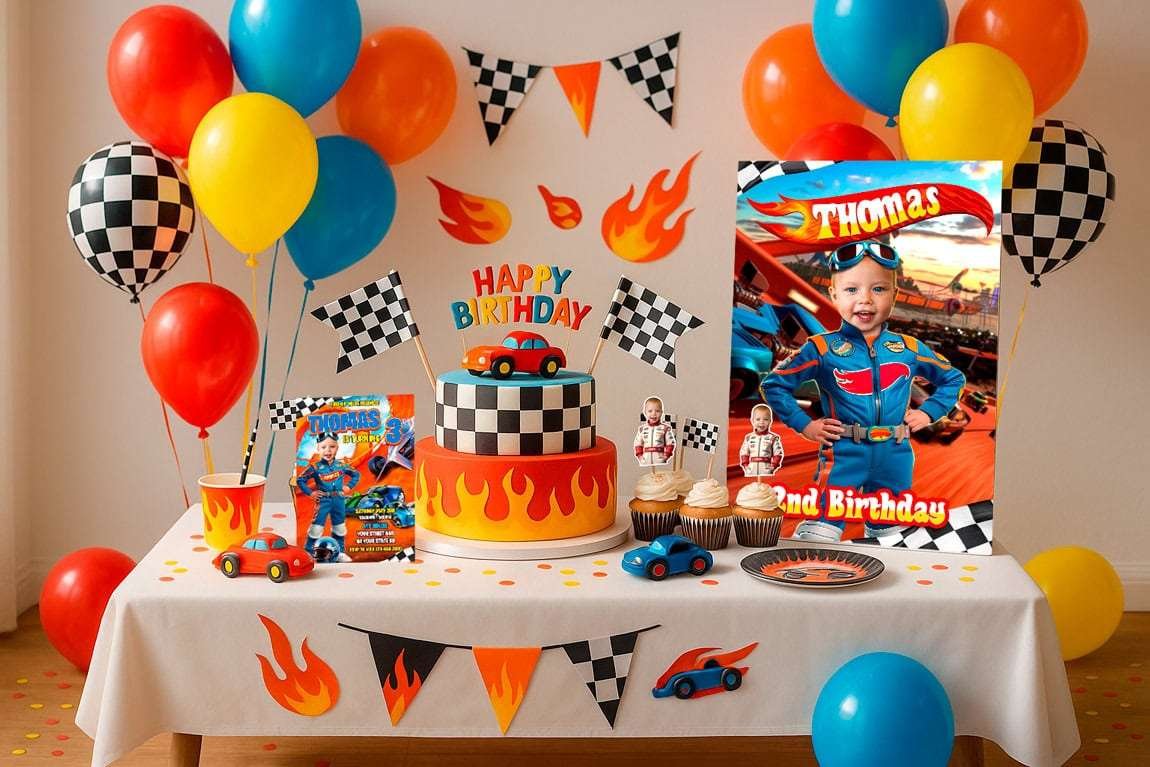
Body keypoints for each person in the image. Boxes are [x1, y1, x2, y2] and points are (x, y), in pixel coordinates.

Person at [761, 240, 965, 543]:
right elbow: (774, 385)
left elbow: (953, 378)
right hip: (844, 453)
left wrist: (928, 413)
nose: (865, 300)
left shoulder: (909, 348)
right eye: (851, 289)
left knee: (894, 539)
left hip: (896, 454)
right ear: (834, 294)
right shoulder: (821, 348)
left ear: (894, 295)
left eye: (878, 289)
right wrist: (806, 425)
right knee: (819, 536)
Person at [297, 432, 360, 560]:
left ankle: (339, 552)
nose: (328, 450)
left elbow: (356, 474)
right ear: (318, 449)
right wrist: (311, 493)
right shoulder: (315, 467)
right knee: (316, 528)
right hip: (323, 501)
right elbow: (300, 480)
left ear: (337, 448)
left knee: (340, 527)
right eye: (324, 447)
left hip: (339, 500)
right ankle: (309, 552)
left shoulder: (341, 465)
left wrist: (348, 487)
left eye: (332, 446)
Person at [739, 403, 784, 477]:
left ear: (770, 421)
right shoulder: (748, 438)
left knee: (765, 485)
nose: (761, 422)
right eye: (758, 419)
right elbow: (744, 453)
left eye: (765, 419)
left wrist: (773, 466)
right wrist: (746, 466)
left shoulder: (773, 438)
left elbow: (778, 454)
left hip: (766, 471)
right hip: (751, 471)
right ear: (752, 421)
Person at [634, 396, 675, 467]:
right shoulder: (642, 429)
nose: (654, 414)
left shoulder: (665, 428)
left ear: (662, 412)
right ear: (645, 412)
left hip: (660, 462)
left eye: (657, 411)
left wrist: (666, 456)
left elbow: (670, 443)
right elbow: (638, 444)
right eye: (650, 411)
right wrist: (640, 457)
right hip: (645, 462)